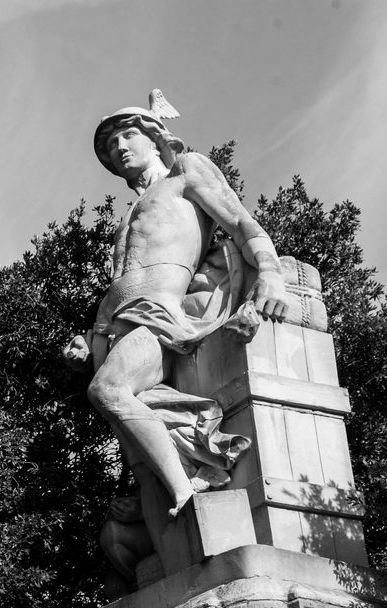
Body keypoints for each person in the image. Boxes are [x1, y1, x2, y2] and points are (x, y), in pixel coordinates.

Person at [64, 94, 290, 522]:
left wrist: (270, 271)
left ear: (155, 138)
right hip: (113, 326)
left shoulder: (186, 171)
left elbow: (241, 223)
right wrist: (88, 342)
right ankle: (175, 486)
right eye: (111, 145)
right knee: (129, 433)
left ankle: (186, 490)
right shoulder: (129, 214)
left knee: (107, 391)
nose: (119, 148)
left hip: (158, 315)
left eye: (128, 136)